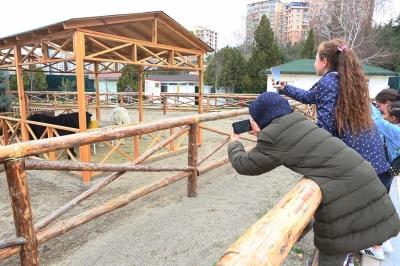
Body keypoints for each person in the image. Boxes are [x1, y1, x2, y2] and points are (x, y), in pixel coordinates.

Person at [227, 92, 400, 266]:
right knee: (343, 243)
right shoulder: (299, 121)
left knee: (333, 250)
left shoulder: (273, 137)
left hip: (346, 193)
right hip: (362, 178)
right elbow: (287, 142)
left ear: (263, 116)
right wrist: (262, 134)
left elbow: (245, 165)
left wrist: (234, 143)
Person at [273, 39, 392, 260]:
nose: (314, 64)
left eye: (315, 59)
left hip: (357, 163)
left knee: (340, 219)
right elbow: (310, 97)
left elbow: (324, 128)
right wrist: (285, 88)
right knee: (352, 218)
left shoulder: (329, 82)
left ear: (324, 61)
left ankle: (336, 259)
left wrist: (292, 137)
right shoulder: (348, 81)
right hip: (375, 161)